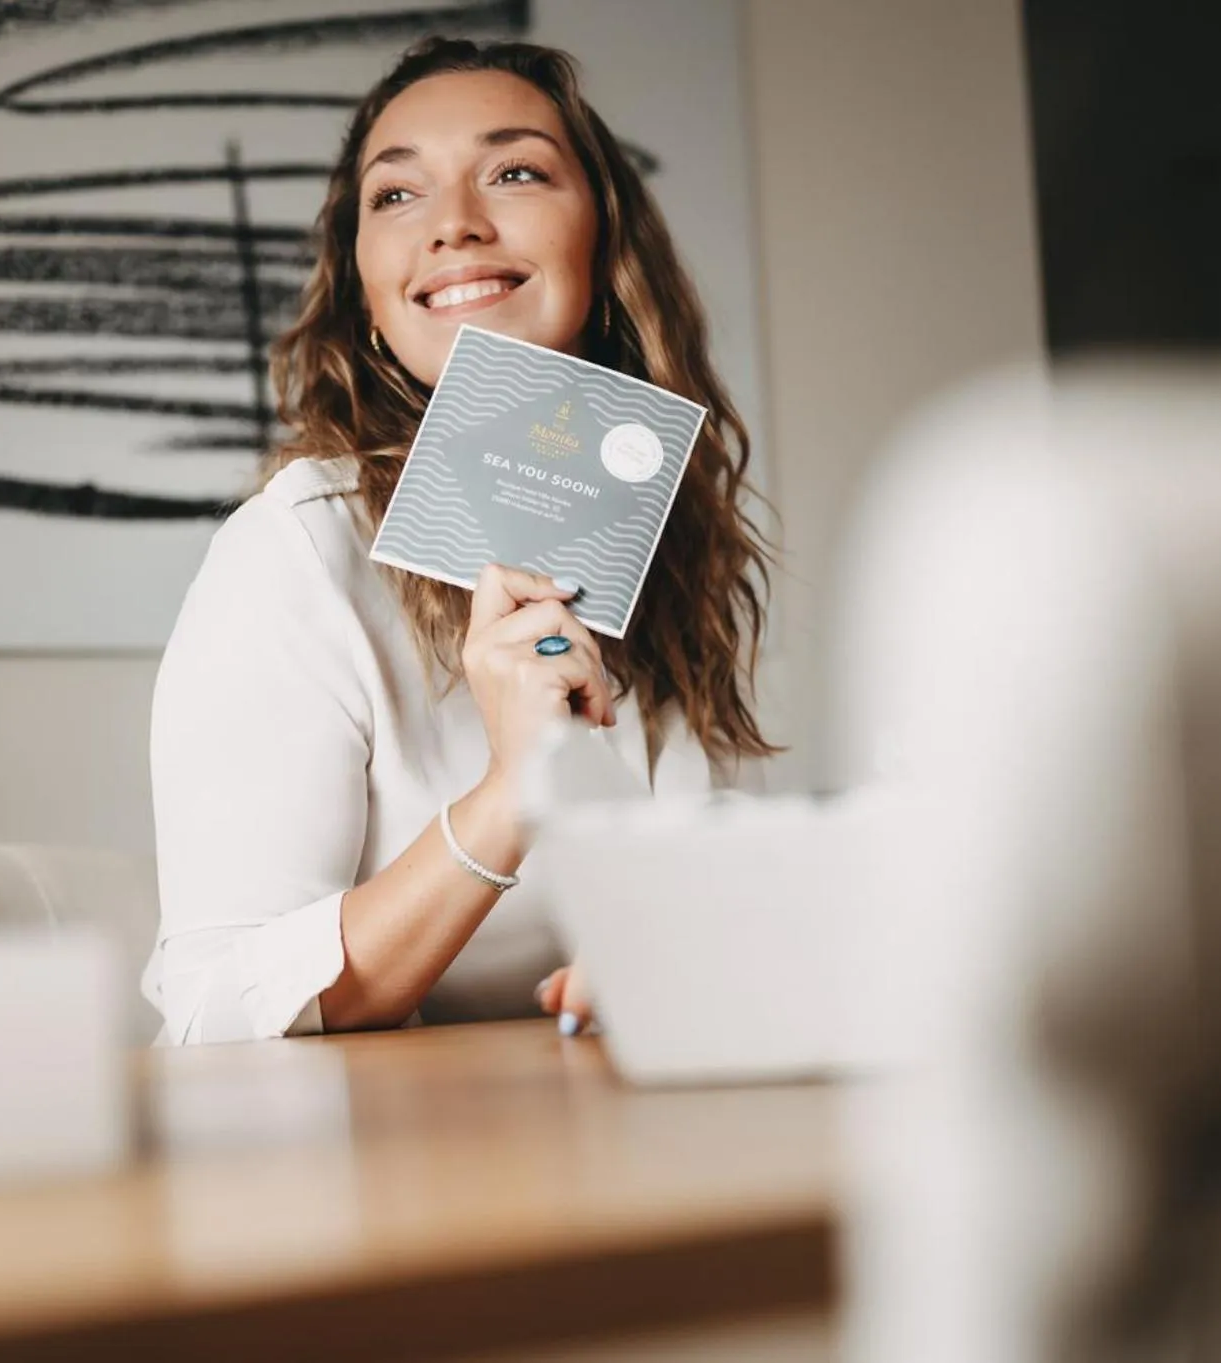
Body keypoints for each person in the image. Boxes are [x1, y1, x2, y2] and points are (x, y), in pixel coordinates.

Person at [143, 37, 776, 1045]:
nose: (451, 226)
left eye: (514, 172)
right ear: (361, 279)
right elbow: (213, 1007)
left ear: (604, 234)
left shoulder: (667, 546)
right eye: (395, 197)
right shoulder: (295, 554)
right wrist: (506, 796)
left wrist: (681, 954)